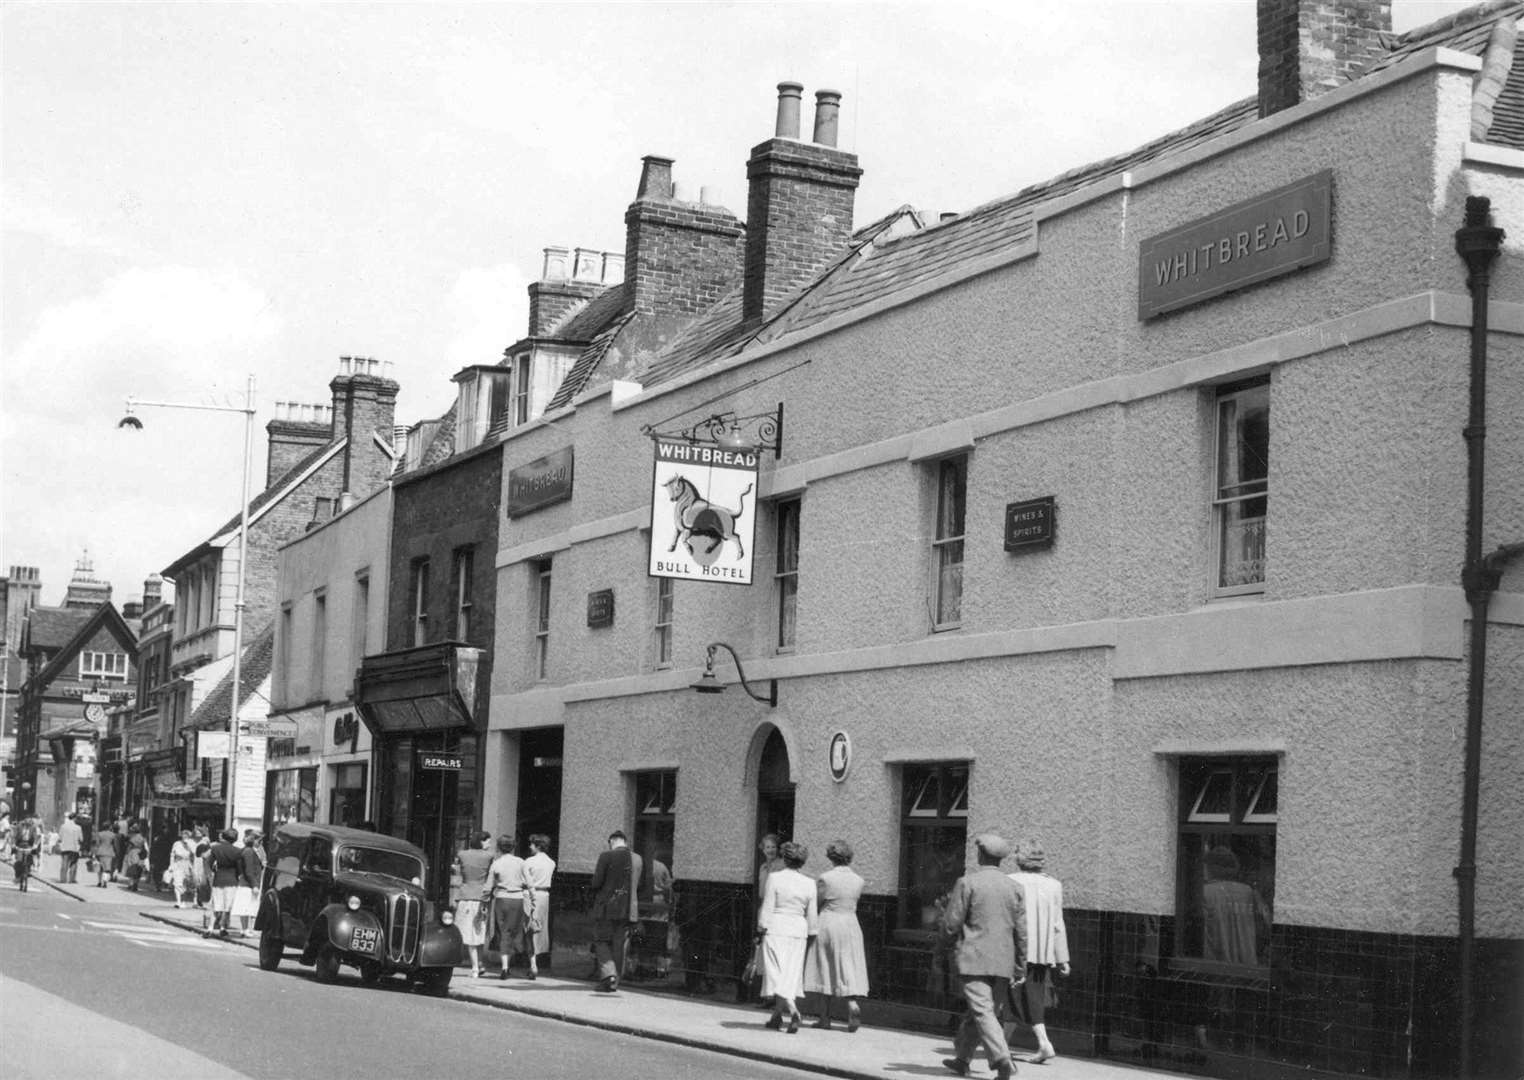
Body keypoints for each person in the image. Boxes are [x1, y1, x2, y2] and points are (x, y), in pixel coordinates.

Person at [939, 832, 1026, 1080]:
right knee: (980, 1011)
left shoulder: (967, 883)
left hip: (973, 959)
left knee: (982, 1012)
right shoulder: (1015, 888)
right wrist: (1020, 967)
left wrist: (942, 948)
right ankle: (962, 1059)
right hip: (1003, 962)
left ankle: (1002, 1060)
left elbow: (951, 924)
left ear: (980, 855)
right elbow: (1022, 932)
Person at [1006, 837, 1071, 1064]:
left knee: (1015, 997)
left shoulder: (1010, 881)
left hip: (1015, 953)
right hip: (1042, 953)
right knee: (1029, 997)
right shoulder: (1054, 885)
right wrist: (1062, 957)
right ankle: (1001, 1047)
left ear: (1019, 858)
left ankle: (1042, 1044)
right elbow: (1057, 923)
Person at [804, 839, 869, 1031]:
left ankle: (825, 1019)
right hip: (850, 923)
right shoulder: (859, 880)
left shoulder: (825, 878)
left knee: (824, 966)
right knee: (849, 965)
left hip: (829, 922)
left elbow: (817, 902)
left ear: (831, 857)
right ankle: (852, 1004)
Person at [758, 840, 817, 1034]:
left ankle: (792, 1010)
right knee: (790, 973)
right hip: (798, 929)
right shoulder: (809, 883)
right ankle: (776, 1017)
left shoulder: (775, 878)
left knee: (775, 973)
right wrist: (811, 933)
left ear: (784, 858)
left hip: (776, 926)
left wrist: (761, 927)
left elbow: (768, 905)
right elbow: (812, 915)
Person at [590, 829, 642, 993]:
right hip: (629, 909)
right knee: (620, 945)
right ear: (625, 842)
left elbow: (596, 882)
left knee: (601, 940)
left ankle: (608, 974)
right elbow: (640, 885)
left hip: (607, 908)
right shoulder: (637, 858)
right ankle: (614, 981)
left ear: (612, 841)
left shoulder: (606, 856)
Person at [483, 834, 528, 980]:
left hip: (502, 898)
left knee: (503, 932)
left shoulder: (497, 863)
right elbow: (529, 881)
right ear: (513, 847)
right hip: (518, 898)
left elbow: (488, 885)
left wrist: (484, 901)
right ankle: (516, 960)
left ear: (499, 847)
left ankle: (504, 967)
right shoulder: (521, 862)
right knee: (516, 930)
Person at [453, 830, 494, 978]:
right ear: (481, 842)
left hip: (465, 894)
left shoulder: (462, 854)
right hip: (481, 896)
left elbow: (458, 871)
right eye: (488, 841)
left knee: (466, 932)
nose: (490, 844)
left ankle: (475, 966)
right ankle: (478, 965)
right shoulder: (489, 857)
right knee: (478, 932)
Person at [752, 832, 785, 1006]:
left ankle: (773, 995)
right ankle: (767, 995)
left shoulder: (781, 866)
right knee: (763, 953)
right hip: (763, 908)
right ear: (762, 849)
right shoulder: (763, 867)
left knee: (773, 953)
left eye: (773, 847)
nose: (770, 850)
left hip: (776, 911)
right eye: (767, 847)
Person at [522, 834, 556, 979]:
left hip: (530, 895)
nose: (530, 847)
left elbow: (527, 881)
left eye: (532, 844)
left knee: (528, 930)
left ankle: (533, 964)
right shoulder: (551, 863)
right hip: (544, 896)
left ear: (538, 846)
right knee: (538, 929)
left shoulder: (529, 861)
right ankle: (535, 962)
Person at [206, 828, 243, 936]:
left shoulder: (216, 849)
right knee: (227, 906)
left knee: (216, 905)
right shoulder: (237, 851)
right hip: (232, 880)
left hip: (219, 879)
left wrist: (212, 873)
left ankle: (210, 928)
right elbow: (239, 868)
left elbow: (209, 863)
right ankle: (222, 927)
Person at [234, 829, 265, 935]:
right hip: (248, 884)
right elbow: (249, 870)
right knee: (245, 907)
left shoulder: (251, 851)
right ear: (254, 840)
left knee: (248, 907)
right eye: (259, 841)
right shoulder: (249, 851)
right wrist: (254, 885)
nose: (261, 843)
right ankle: (245, 929)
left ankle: (246, 929)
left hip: (248, 883)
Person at [12, 813, 41, 891]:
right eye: (27, 820)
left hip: (28, 845)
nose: (28, 822)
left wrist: (35, 845)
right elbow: (15, 836)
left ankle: (28, 871)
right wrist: (14, 844)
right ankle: (17, 876)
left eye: (29, 820)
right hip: (20, 844)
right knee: (18, 862)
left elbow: (35, 837)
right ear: (24, 821)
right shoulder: (19, 826)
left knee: (29, 859)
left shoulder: (33, 827)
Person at [168, 829, 196, 907]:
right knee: (177, 883)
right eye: (183, 835)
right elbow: (172, 855)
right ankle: (178, 901)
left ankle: (183, 901)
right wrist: (171, 865)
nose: (185, 837)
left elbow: (194, 853)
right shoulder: (176, 843)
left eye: (187, 835)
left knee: (185, 884)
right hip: (177, 864)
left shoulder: (192, 843)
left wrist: (188, 845)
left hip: (187, 864)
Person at [56, 812, 83, 883]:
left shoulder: (63, 826)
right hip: (74, 848)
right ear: (75, 818)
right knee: (73, 864)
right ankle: (72, 879)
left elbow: (60, 838)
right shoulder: (78, 827)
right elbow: (81, 839)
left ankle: (63, 879)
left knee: (64, 864)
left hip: (65, 848)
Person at [122, 824, 148, 892]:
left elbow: (129, 846)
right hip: (140, 853)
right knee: (138, 869)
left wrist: (126, 853)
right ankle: (136, 884)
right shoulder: (142, 837)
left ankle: (131, 884)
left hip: (133, 853)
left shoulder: (133, 838)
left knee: (131, 869)